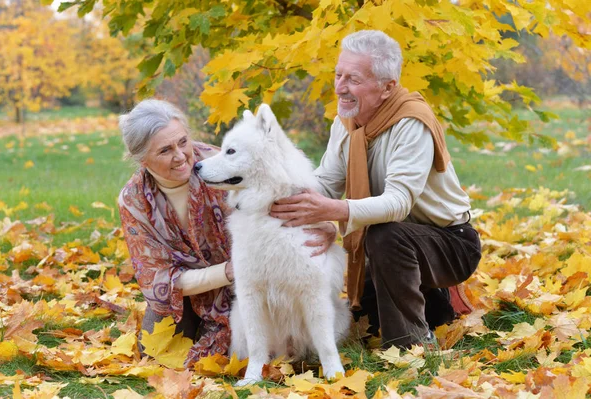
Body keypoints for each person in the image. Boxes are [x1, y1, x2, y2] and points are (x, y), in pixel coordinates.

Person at [270, 30, 482, 349]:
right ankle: (436, 307)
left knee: (385, 235)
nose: (340, 87)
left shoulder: (412, 122)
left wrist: (334, 212)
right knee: (364, 322)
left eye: (353, 79)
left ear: (387, 87)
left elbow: (397, 203)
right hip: (393, 245)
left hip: (451, 244)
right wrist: (274, 197)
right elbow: (325, 183)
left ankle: (409, 345)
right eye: (338, 75)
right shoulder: (347, 121)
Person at [118, 99, 337, 366]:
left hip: (249, 285)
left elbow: (283, 190)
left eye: (183, 142)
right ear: (142, 159)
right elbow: (156, 280)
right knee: (155, 354)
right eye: (165, 150)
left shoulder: (219, 163)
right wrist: (228, 272)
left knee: (236, 350)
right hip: (185, 294)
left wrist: (326, 225)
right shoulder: (134, 200)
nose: (180, 156)